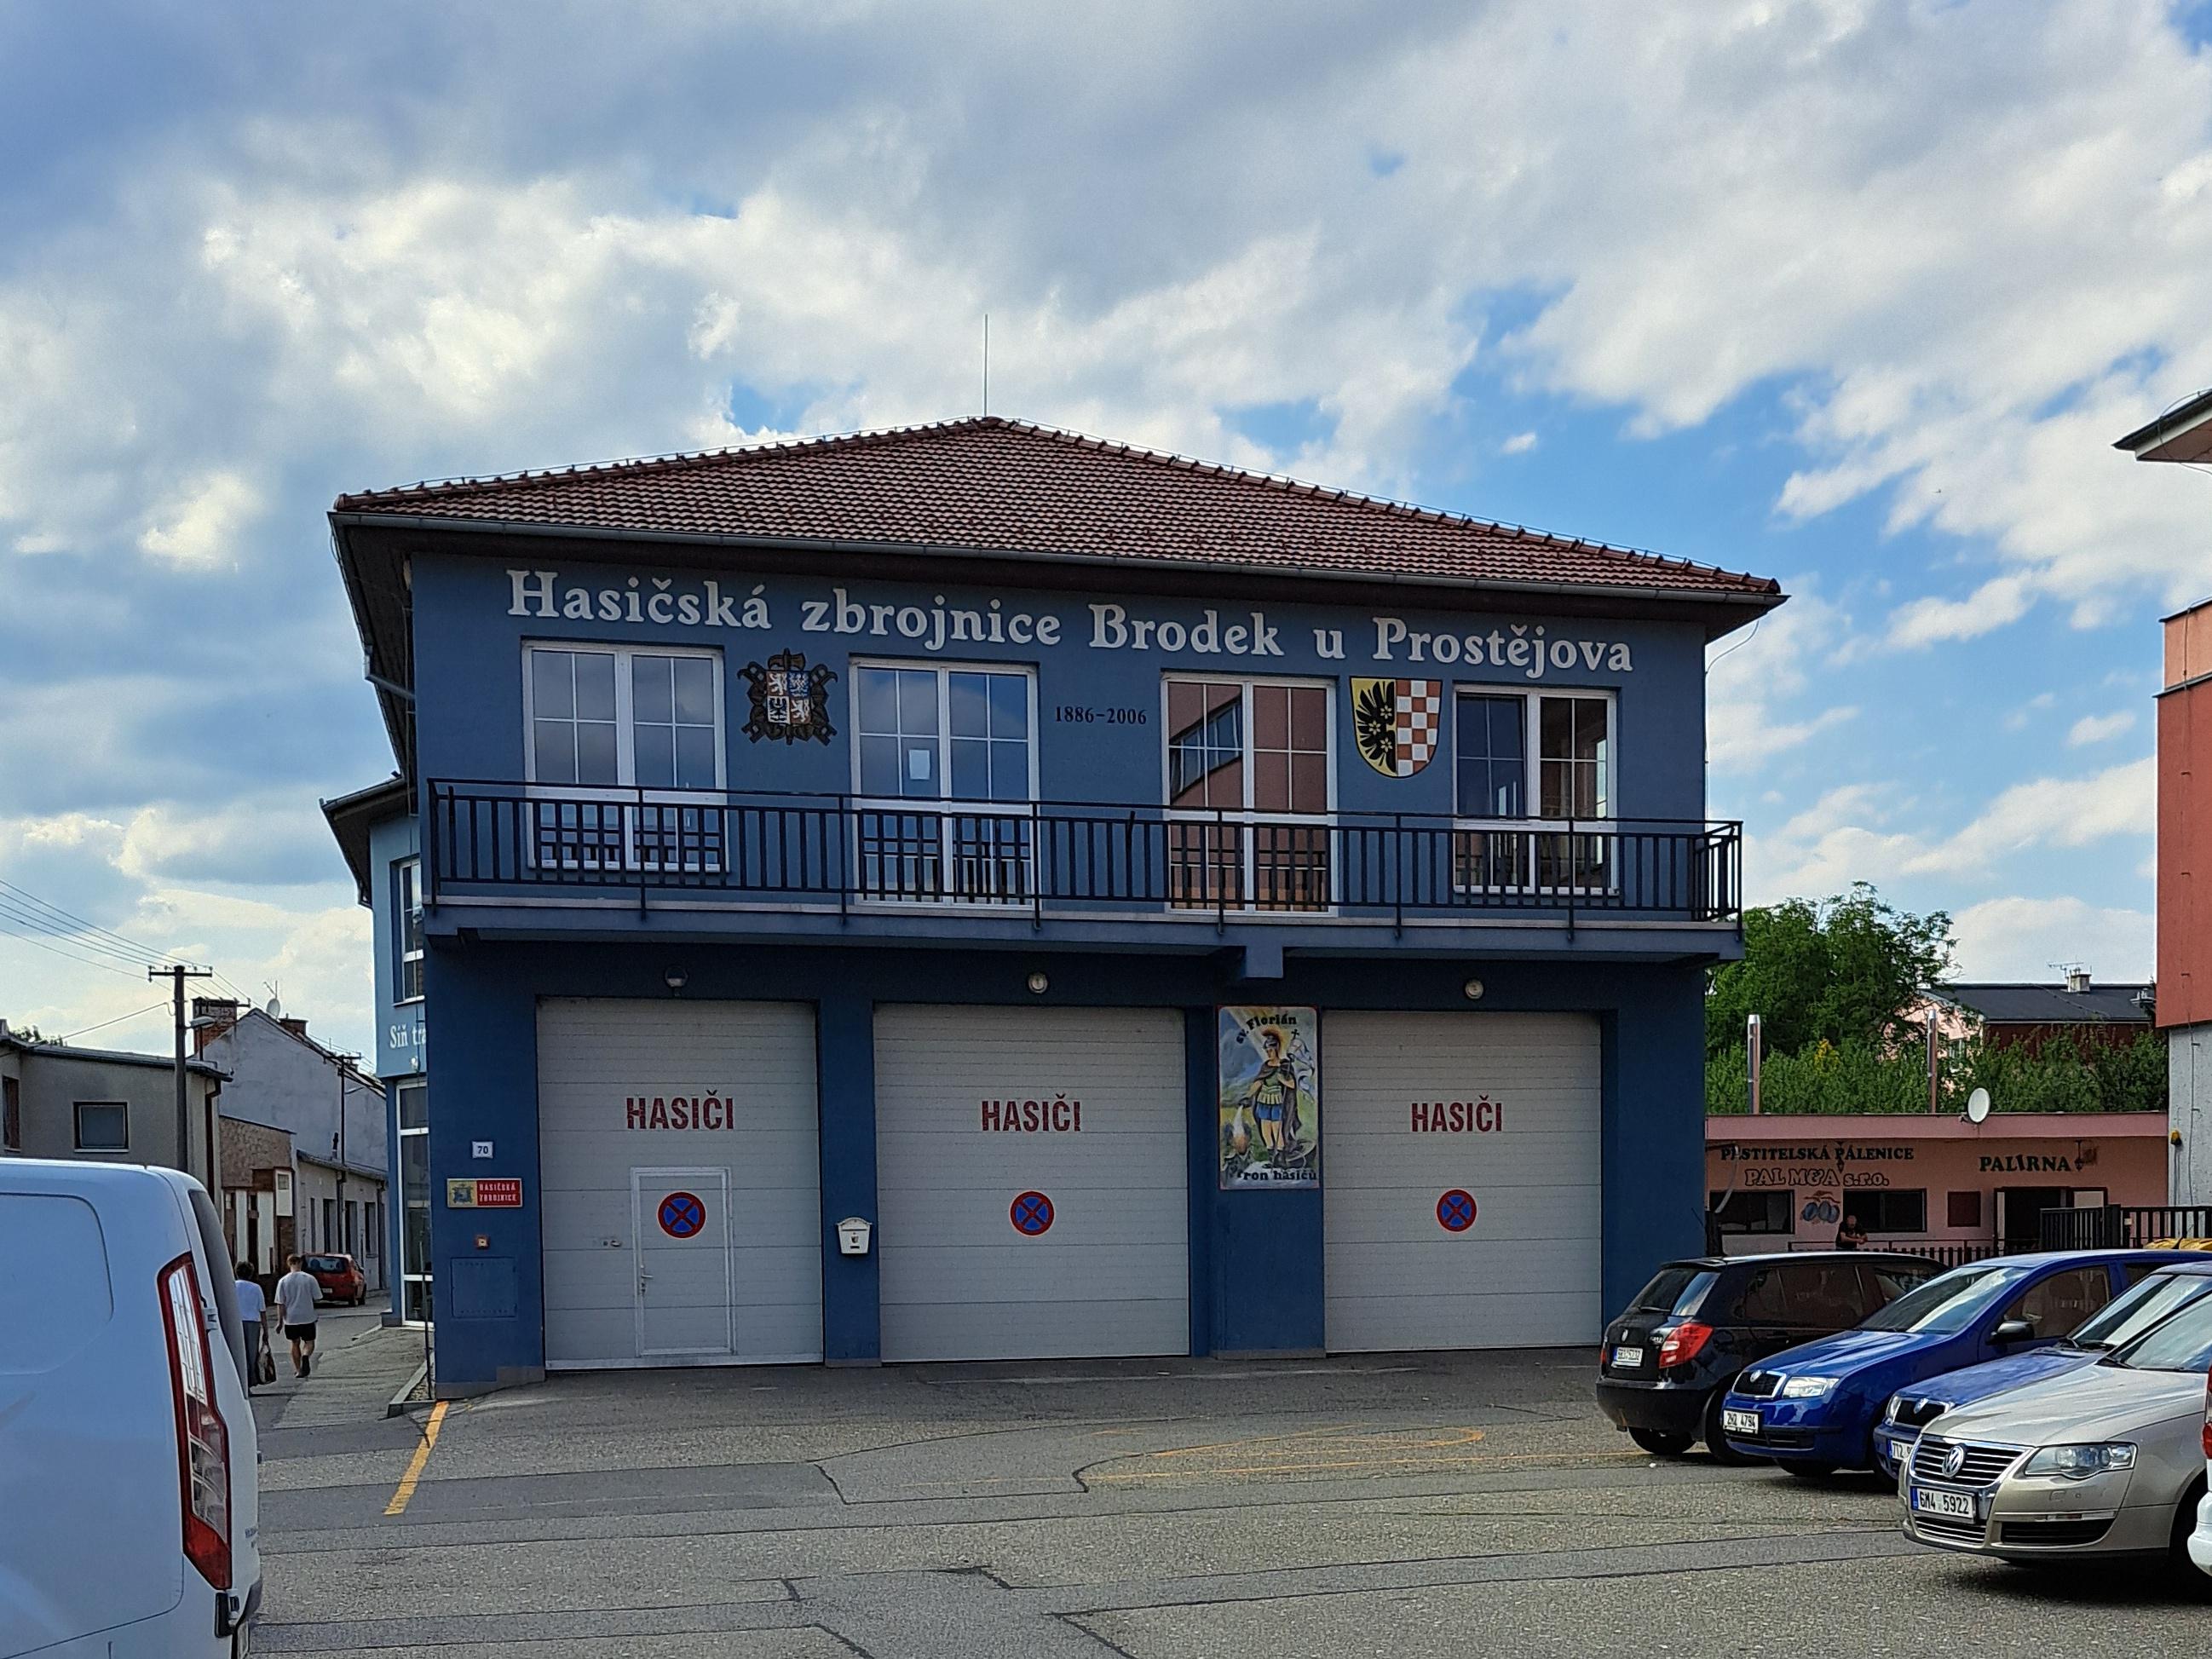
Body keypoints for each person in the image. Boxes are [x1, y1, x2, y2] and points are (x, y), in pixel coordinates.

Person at [274, 1253, 322, 1378]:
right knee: (309, 1342)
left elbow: (280, 1303)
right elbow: (317, 1297)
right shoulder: (310, 1279)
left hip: (291, 1318)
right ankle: (306, 1356)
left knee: (294, 1343)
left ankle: (299, 1370)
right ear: (300, 1263)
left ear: (289, 1264)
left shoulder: (283, 1281)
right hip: (307, 1316)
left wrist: (280, 1322)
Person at [233, 1263, 270, 1389]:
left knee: (238, 1352)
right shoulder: (256, 1288)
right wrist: (266, 1331)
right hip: (253, 1323)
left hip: (235, 1322)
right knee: (251, 1354)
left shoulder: (232, 1286)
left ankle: (240, 1383)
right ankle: (250, 1381)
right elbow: (262, 1311)